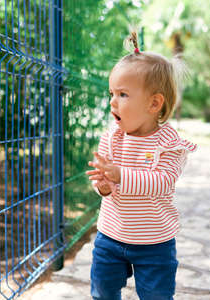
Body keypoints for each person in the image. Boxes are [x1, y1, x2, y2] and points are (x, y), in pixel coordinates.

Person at [85, 28, 198, 300]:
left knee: (157, 296)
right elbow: (105, 183)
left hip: (154, 242)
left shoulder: (168, 143)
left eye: (123, 94)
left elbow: (163, 182)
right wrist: (103, 187)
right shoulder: (111, 137)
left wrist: (120, 175)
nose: (113, 101)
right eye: (111, 93)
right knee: (102, 291)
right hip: (110, 236)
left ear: (154, 103)